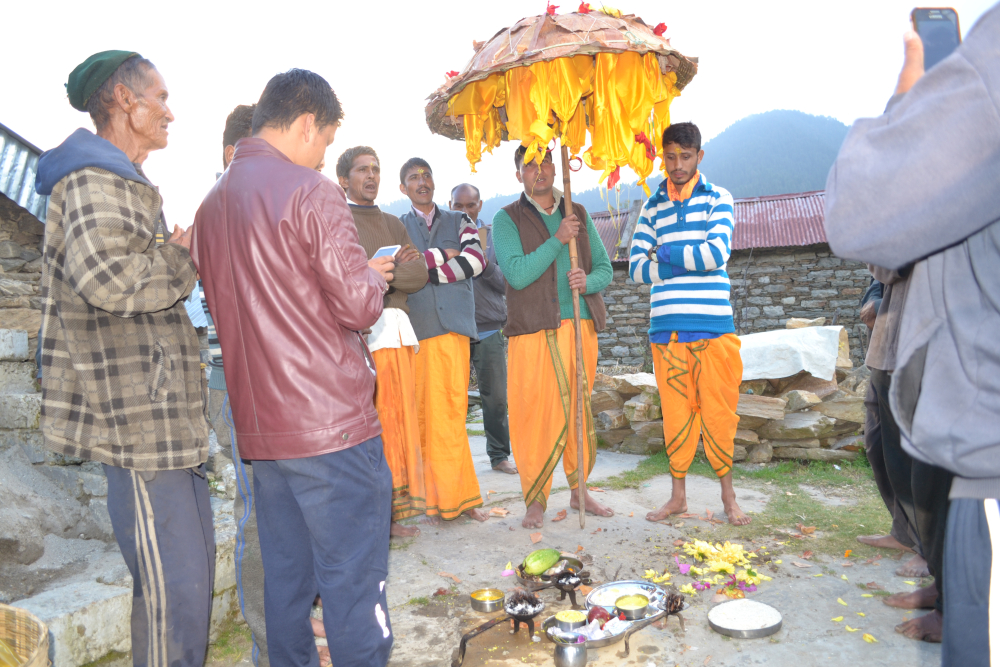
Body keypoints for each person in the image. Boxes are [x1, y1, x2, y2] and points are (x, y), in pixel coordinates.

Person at [192, 69, 394, 667]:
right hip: (329, 425)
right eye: (328, 139)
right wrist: (370, 276)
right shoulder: (311, 191)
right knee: (354, 584)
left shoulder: (211, 204)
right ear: (308, 123)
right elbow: (356, 305)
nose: (324, 151)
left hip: (261, 430)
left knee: (283, 581)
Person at [824, 8, 1000, 661]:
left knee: (932, 480)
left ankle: (950, 598)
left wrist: (909, 103)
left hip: (986, 449)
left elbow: (862, 214)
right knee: (895, 451)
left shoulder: (986, 77)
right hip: (930, 356)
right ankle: (940, 579)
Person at [35, 51, 213, 666]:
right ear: (122, 100)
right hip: (136, 423)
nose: (170, 111)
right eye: (159, 97)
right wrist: (183, 254)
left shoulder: (124, 180)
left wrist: (173, 251)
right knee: (174, 596)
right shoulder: (90, 181)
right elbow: (112, 281)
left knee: (185, 592)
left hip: (166, 422)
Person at [628, 122, 750, 527]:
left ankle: (729, 498)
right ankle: (677, 497)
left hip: (713, 326)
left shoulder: (719, 198)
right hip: (666, 329)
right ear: (662, 157)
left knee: (719, 414)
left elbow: (717, 253)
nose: (677, 164)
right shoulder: (651, 207)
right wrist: (682, 260)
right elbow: (635, 269)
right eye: (670, 156)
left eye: (685, 155)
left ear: (700, 156)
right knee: (676, 415)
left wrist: (665, 252)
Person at [492, 146, 615, 529]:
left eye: (545, 160)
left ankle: (580, 491)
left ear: (556, 168)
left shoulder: (575, 211)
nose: (539, 170)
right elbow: (516, 274)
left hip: (579, 325)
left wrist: (587, 280)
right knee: (534, 416)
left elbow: (606, 269)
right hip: (533, 331)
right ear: (519, 176)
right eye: (529, 165)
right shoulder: (505, 218)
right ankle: (536, 499)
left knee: (579, 411)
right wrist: (559, 239)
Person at [336, 145, 429, 537]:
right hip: (365, 335)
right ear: (344, 180)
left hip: (398, 330)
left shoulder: (393, 221)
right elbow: (347, 278)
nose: (371, 176)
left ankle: (397, 511)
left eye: (375, 169)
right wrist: (388, 270)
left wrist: (378, 272)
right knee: (379, 424)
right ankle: (381, 516)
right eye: (362, 170)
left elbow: (419, 276)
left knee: (403, 421)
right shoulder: (337, 221)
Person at [398, 159, 489, 523]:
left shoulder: (459, 220)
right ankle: (434, 503)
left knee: (452, 414)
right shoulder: (398, 227)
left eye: (426, 175)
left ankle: (462, 500)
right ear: (402, 188)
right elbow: (400, 269)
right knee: (424, 418)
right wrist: (439, 258)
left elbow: (476, 261)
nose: (422, 182)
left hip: (453, 329)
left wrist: (427, 272)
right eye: (413, 178)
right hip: (418, 331)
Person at [856, 278, 929, 580]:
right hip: (883, 348)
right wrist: (873, 299)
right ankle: (903, 531)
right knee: (877, 444)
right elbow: (877, 277)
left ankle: (929, 550)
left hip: (915, 347)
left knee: (914, 454)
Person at [450, 183, 516, 475]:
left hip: (489, 328)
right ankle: (453, 460)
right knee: (451, 397)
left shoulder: (494, 239)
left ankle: (499, 455)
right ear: (449, 206)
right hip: (453, 328)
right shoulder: (442, 237)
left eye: (470, 205)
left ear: (480, 205)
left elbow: (507, 284)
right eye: (458, 206)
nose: (464, 211)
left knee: (496, 397)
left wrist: (484, 263)